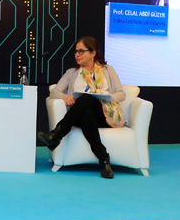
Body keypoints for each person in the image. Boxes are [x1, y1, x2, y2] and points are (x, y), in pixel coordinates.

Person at [37, 36, 125, 179]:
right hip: (78, 115)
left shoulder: (108, 70)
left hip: (105, 115)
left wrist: (107, 97)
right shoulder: (72, 72)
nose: (77, 54)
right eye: (76, 51)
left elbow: (121, 94)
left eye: (81, 51)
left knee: (86, 102)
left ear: (93, 53)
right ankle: (104, 161)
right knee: (86, 111)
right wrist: (64, 97)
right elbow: (54, 91)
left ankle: (57, 134)